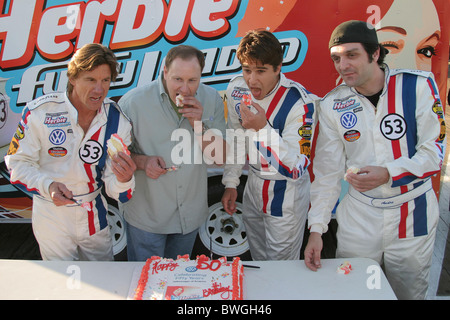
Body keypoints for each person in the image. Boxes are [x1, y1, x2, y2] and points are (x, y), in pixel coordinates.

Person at [304, 20, 446, 300]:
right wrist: (317, 229)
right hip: (359, 215)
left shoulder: (417, 86)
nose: (343, 65)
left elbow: (434, 154)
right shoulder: (333, 103)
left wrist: (390, 173)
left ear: (375, 53)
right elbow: (327, 173)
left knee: (408, 293)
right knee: (355, 290)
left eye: (351, 55)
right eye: (337, 58)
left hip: (412, 212)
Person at [5, 43, 136, 261]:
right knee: (61, 283)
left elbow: (119, 192)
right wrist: (48, 186)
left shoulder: (117, 120)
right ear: (73, 78)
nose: (99, 89)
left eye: (105, 81)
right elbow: (17, 164)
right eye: (91, 80)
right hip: (51, 215)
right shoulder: (40, 113)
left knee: (101, 280)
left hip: (94, 215)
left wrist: (125, 178)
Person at [119, 45, 226, 261]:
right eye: (178, 79)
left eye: (192, 81)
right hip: (147, 217)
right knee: (146, 283)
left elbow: (220, 157)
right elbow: (115, 156)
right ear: (165, 72)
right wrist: (142, 162)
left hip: (189, 216)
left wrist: (198, 125)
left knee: (178, 281)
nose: (185, 89)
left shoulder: (212, 99)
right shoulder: (133, 103)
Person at [221, 30, 317, 260]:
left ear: (278, 67)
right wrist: (231, 182)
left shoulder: (300, 103)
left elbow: (295, 168)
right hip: (253, 184)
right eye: (246, 70)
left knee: (281, 266)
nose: (252, 79)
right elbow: (236, 137)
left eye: (261, 71)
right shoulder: (236, 89)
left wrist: (262, 129)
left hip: (286, 192)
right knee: (259, 257)